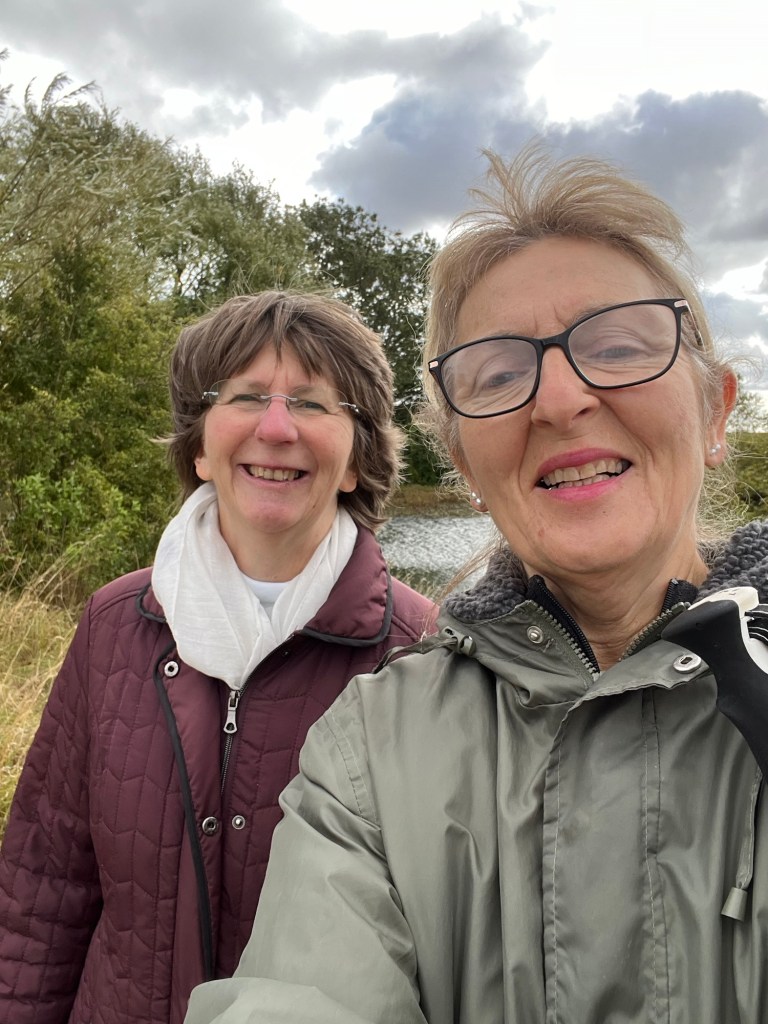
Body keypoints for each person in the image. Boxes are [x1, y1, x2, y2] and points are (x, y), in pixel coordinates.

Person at [183, 148, 768, 1024]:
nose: (560, 399)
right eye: (499, 374)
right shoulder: (371, 749)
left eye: (617, 346)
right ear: (464, 465)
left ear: (716, 412)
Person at [0, 290, 435, 1024]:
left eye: (311, 403)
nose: (276, 427)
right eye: (246, 397)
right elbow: (42, 889)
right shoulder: (113, 624)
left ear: (357, 461)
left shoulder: (420, 654)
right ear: (199, 447)